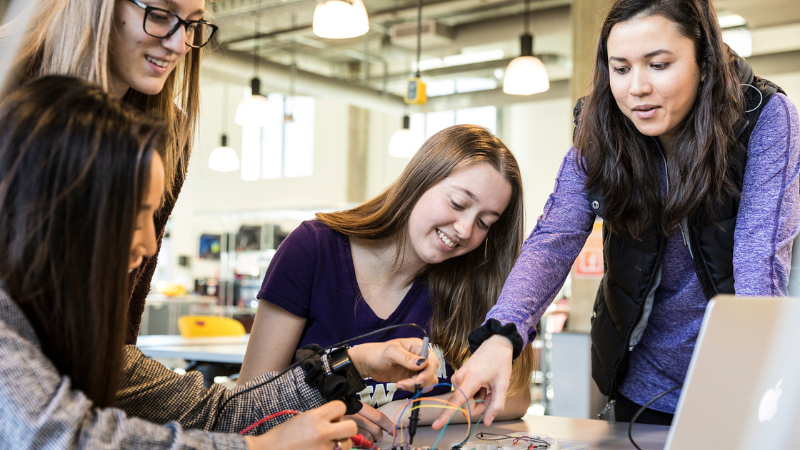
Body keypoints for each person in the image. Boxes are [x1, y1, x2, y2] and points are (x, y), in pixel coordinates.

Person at [0, 76, 439, 450]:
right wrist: (257, 447)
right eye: (134, 218)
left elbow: (216, 411)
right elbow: (65, 437)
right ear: (60, 209)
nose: (151, 245)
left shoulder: (74, 337)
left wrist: (352, 363)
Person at [434, 0, 800, 429]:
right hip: (640, 388)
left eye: (659, 65)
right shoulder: (601, 127)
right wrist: (501, 334)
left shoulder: (763, 118)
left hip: (737, 384)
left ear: (705, 59)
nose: (636, 88)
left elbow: (759, 265)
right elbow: (554, 236)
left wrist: (758, 387)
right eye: (620, 69)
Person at [238, 125, 535, 441]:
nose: (464, 229)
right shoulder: (313, 249)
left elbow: (514, 395)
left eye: (483, 223)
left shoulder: (473, 281)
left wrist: (410, 412)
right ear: (420, 182)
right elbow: (247, 403)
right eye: (458, 204)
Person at [0, 0, 210, 344]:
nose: (179, 45)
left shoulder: (168, 132)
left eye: (191, 25)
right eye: (158, 16)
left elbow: (123, 310)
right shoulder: (8, 79)